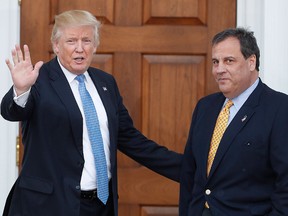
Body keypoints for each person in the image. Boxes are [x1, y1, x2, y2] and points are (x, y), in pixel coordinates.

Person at [1, 10, 182, 216]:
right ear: (56, 46)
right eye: (71, 41)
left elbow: (132, 140)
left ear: (95, 46)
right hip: (49, 206)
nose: (80, 48)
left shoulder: (106, 83)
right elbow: (11, 111)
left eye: (86, 40)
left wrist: (189, 169)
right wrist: (21, 90)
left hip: (100, 206)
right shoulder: (39, 80)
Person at [179, 27, 288, 216]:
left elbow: (285, 184)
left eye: (229, 61)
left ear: (251, 62)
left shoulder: (279, 108)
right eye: (215, 62)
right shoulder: (205, 107)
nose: (219, 69)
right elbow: (191, 173)